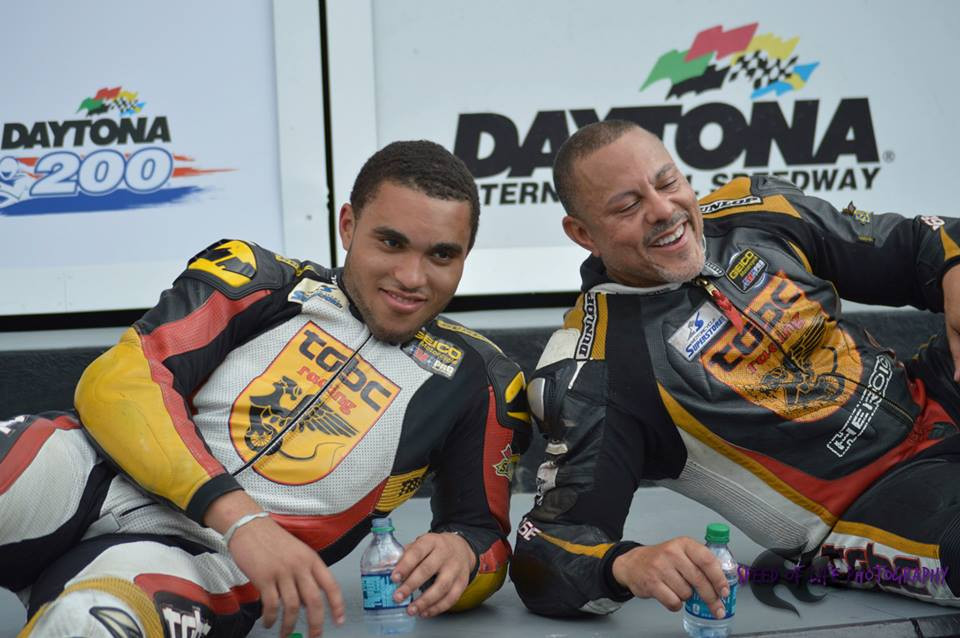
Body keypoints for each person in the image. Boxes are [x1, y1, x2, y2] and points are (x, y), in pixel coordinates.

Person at [0, 140, 530, 638]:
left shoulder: (480, 379)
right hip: (87, 473)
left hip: (201, 563)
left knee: (85, 626)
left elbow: (484, 537)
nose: (412, 276)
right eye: (390, 242)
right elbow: (119, 383)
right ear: (348, 225)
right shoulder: (259, 279)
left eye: (441, 255)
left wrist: (461, 552)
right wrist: (240, 517)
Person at [510, 119, 960, 618]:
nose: (664, 211)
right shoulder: (593, 368)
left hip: (937, 392)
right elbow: (547, 549)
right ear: (581, 233)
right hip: (872, 511)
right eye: (627, 206)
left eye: (667, 183)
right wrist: (626, 564)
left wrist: (953, 271)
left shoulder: (757, 212)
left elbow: (922, 242)